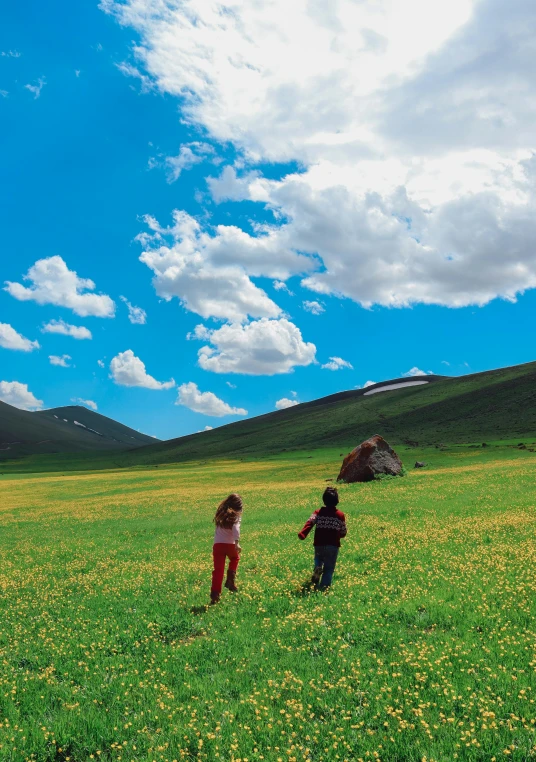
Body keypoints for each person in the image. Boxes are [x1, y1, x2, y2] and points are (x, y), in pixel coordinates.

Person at [298, 486, 347, 589]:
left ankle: (317, 568)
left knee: (318, 559)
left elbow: (309, 523)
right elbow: (343, 531)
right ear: (337, 501)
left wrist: (303, 533)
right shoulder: (340, 515)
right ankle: (324, 588)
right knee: (329, 568)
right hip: (332, 546)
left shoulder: (318, 513)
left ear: (324, 500)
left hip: (319, 544)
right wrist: (340, 535)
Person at [210, 493, 243, 604]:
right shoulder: (236, 515)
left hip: (218, 545)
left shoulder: (220, 513)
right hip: (229, 545)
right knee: (235, 558)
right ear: (238, 506)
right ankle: (230, 580)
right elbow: (236, 528)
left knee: (218, 571)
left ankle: (215, 595)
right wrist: (237, 543)